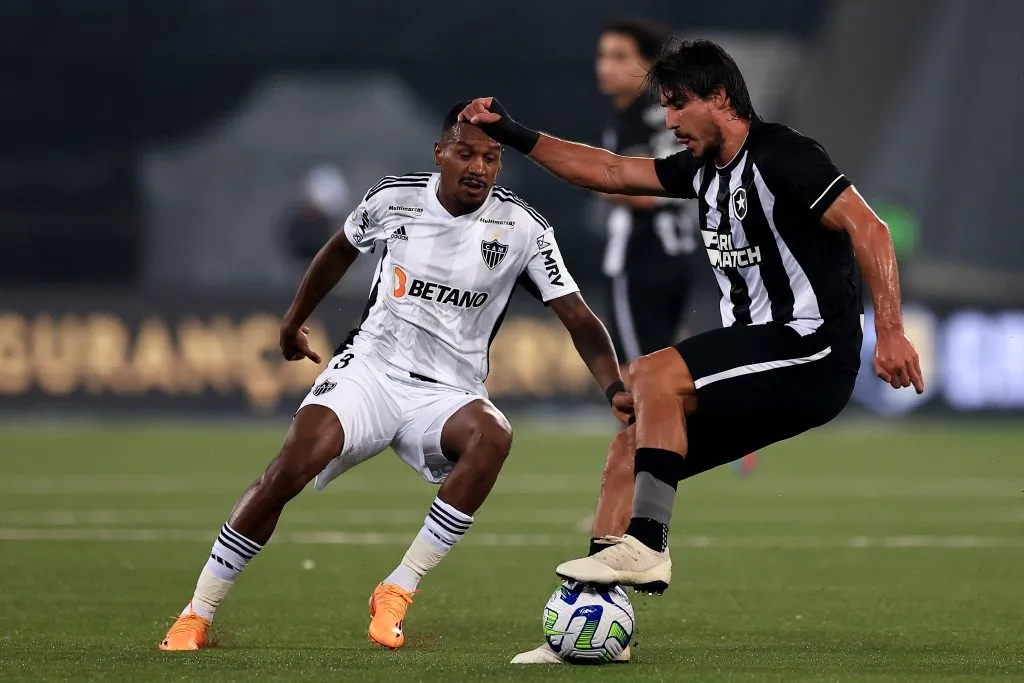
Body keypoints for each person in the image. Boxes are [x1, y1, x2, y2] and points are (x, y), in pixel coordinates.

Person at [461, 40, 924, 663]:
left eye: (678, 105)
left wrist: (889, 329)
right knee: (629, 441)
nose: (670, 120)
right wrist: (513, 134)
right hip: (760, 354)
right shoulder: (700, 172)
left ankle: (648, 543)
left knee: (653, 373)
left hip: (811, 349)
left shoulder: (785, 156)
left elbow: (871, 227)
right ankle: (591, 621)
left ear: (721, 98)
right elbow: (606, 170)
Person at [158, 102, 632, 652]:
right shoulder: (393, 198)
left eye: (491, 158)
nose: (478, 168)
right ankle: (199, 611)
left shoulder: (522, 228)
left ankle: (397, 588)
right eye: (466, 154)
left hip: (449, 393)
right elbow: (338, 251)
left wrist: (614, 387)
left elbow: (577, 316)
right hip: (371, 372)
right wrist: (293, 323)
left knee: (493, 437)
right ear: (439, 154)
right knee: (293, 463)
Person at [586, 23, 757, 560]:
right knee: (662, 375)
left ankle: (637, 516)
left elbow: (638, 191)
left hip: (641, 264)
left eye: (618, 56)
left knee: (643, 383)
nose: (605, 66)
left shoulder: (641, 117)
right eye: (602, 55)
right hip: (679, 261)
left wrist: (602, 180)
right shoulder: (668, 118)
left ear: (645, 65)